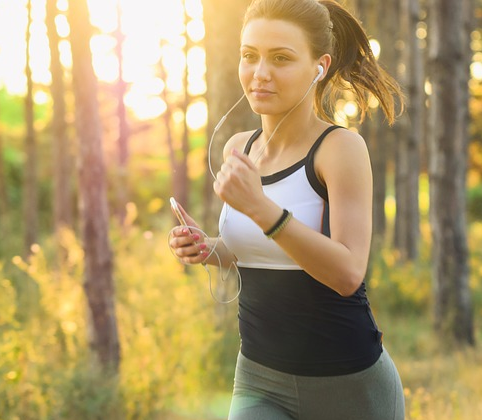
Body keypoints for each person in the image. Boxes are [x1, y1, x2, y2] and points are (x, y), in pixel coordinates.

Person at [169, 0, 406, 419]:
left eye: (281, 58)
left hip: (348, 384)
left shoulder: (339, 149)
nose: (260, 73)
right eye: (249, 56)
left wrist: (261, 209)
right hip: (260, 379)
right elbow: (259, 250)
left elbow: (348, 273)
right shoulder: (238, 148)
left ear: (320, 66)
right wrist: (209, 248)